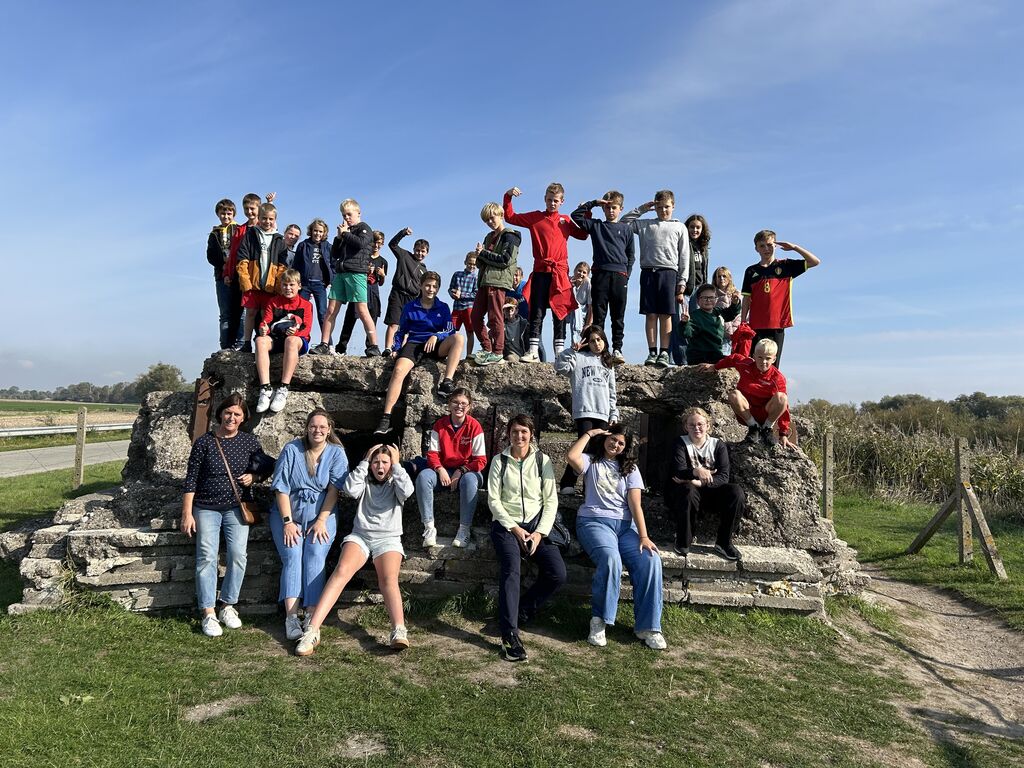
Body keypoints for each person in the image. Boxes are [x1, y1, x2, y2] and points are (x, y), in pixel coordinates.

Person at [295, 444, 414, 656]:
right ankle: (312, 630)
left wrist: (396, 464)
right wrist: (364, 462)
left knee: (388, 579)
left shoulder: (397, 481)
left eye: (384, 462)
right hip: (361, 536)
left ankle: (398, 629)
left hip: (388, 539)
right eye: (376, 462)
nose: (380, 466)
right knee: (341, 571)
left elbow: (408, 490)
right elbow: (350, 490)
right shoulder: (364, 480)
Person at [180, 394, 273, 637]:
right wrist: (187, 513)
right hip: (206, 506)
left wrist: (255, 477)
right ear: (221, 413)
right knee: (207, 557)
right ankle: (208, 612)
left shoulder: (249, 442)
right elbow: (191, 479)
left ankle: (228, 605)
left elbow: (266, 465)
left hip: (236, 506)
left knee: (238, 555)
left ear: (243, 418)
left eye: (237, 414)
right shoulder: (205, 442)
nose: (232, 418)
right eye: (228, 412)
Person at [566, 424, 666, 650]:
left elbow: (636, 505)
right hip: (594, 522)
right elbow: (571, 456)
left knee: (651, 560)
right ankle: (599, 621)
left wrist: (644, 537)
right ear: (605, 439)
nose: (616, 445)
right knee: (611, 559)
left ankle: (648, 627)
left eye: (621, 443)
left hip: (625, 527)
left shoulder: (631, 469)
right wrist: (590, 433)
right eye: (613, 439)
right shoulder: (590, 461)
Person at [487, 414, 566, 662]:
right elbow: (493, 500)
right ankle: (509, 634)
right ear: (508, 434)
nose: (519, 436)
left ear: (531, 434)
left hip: (536, 525)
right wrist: (515, 529)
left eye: (524, 432)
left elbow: (551, 501)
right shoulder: (499, 461)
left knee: (557, 573)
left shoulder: (542, 460)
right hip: (506, 525)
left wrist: (539, 533)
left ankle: (521, 612)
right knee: (512, 568)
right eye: (514, 431)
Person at [269, 409, 349, 640]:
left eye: (322, 427)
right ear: (306, 427)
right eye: (313, 426)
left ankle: (312, 616)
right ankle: (291, 617)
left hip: (322, 515)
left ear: (329, 429)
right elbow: (281, 488)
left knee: (315, 554)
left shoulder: (336, 453)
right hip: (288, 515)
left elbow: (334, 490)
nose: (317, 430)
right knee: (293, 555)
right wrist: (287, 522)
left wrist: (321, 520)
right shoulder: (292, 449)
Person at [503, 183, 587, 362]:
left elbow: (583, 235)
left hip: (559, 273)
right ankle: (533, 351)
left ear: (562, 201)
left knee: (560, 312)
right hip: (541, 270)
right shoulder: (535, 218)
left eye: (555, 200)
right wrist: (508, 196)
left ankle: (560, 353)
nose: (552, 203)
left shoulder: (565, 220)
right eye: (549, 200)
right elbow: (510, 217)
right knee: (537, 310)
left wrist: (585, 213)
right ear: (544, 199)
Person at [374, 271, 465, 434]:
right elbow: (401, 332)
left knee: (459, 338)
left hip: (436, 344)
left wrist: (436, 336)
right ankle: (386, 418)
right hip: (414, 344)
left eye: (434, 286)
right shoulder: (410, 307)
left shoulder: (443, 307)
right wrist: (396, 348)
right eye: (428, 285)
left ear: (438, 289)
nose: (431, 289)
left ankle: (446, 382)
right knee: (398, 370)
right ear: (421, 286)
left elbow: (450, 330)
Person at [621, 190, 690, 367]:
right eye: (659, 207)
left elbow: (684, 256)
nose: (663, 210)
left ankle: (664, 352)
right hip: (648, 272)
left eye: (666, 207)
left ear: (673, 206)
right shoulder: (646, 224)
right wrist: (642, 209)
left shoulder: (679, 227)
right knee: (650, 314)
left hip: (669, 273)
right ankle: (652, 352)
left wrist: (682, 281)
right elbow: (624, 223)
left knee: (666, 314)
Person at [668, 407, 744, 561]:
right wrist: (697, 471)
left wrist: (697, 481)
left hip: (711, 491)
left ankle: (724, 543)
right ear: (686, 427)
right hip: (688, 493)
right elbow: (678, 472)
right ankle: (683, 541)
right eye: (692, 425)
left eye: (700, 424)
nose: (696, 428)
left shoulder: (718, 445)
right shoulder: (680, 443)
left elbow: (723, 477)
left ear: (707, 425)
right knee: (687, 490)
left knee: (736, 492)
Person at [415, 387, 487, 548]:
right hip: (444, 470)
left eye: (463, 403)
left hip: (468, 472)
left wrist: (461, 470)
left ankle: (464, 530)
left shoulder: (474, 426)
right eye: (455, 402)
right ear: (449, 404)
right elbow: (432, 454)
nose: (459, 406)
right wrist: (439, 469)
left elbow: (480, 460)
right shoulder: (440, 425)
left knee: (470, 480)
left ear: (469, 406)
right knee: (424, 477)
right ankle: (429, 527)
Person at [740, 230, 820, 368]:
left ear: (775, 246)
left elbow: (815, 262)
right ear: (756, 248)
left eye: (770, 245)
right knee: (754, 363)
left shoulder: (785, 266)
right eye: (762, 246)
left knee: (772, 364)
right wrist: (742, 321)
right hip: (755, 324)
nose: (766, 249)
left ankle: (772, 383)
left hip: (777, 323)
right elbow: (746, 298)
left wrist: (794, 247)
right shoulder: (751, 271)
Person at [311, 199, 381, 357]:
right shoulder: (345, 232)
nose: (346, 218)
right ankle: (324, 344)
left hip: (357, 273)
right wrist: (338, 238)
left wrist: (345, 234)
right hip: (341, 273)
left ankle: (374, 345)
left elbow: (360, 243)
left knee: (362, 310)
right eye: (344, 215)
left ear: (358, 213)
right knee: (331, 310)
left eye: (349, 214)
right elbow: (335, 253)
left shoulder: (364, 228)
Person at [554, 325, 619, 495]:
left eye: (599, 339)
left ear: (604, 340)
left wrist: (613, 412)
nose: (597, 344)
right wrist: (571, 350)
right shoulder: (578, 357)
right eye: (592, 341)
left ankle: (589, 487)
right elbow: (560, 367)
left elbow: (612, 391)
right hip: (584, 411)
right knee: (583, 446)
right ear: (586, 343)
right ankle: (567, 482)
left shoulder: (608, 363)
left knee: (598, 450)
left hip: (603, 413)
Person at [571, 192, 635, 362]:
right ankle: (598, 350)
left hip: (620, 276)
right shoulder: (596, 226)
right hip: (600, 275)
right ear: (603, 208)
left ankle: (617, 349)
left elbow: (631, 255)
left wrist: (626, 275)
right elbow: (575, 216)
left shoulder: (626, 229)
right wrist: (593, 203)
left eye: (614, 207)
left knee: (618, 315)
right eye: (607, 207)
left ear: (620, 209)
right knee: (599, 316)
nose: (610, 210)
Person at [698, 338, 792, 448]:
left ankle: (767, 428)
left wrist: (783, 433)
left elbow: (784, 407)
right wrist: (715, 366)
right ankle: (753, 428)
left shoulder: (777, 378)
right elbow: (733, 359)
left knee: (782, 398)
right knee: (734, 394)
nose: (763, 362)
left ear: (774, 359)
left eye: (768, 358)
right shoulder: (745, 364)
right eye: (760, 357)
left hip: (766, 413)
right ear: (754, 356)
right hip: (747, 412)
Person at [254, 269, 315, 414]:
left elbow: (306, 328)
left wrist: (296, 332)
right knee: (260, 341)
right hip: (277, 339)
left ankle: (283, 388)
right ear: (280, 286)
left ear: (299, 286)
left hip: (297, 340)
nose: (288, 288)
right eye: (285, 285)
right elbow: (266, 322)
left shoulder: (306, 305)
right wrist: (263, 329)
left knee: (291, 340)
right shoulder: (273, 302)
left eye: (291, 285)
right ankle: (265, 389)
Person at [471, 202, 521, 366]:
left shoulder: (511, 236)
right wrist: (480, 255)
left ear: (501, 215)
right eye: (486, 220)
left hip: (498, 282)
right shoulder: (488, 237)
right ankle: (487, 348)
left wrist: (483, 254)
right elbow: (481, 263)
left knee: (495, 317)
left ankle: (498, 352)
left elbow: (505, 260)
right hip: (484, 281)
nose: (490, 222)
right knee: (475, 316)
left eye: (492, 218)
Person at [236, 203, 288, 352]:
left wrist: (277, 284)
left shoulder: (279, 239)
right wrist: (245, 280)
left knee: (266, 314)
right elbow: (242, 258)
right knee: (250, 313)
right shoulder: (251, 234)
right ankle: (246, 343)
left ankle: (263, 342)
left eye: (271, 219)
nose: (267, 221)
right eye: (264, 218)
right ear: (259, 218)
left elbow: (282, 264)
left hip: (270, 285)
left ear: (275, 219)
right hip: (252, 283)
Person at [225, 192, 274, 350]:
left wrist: (269, 203)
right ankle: (233, 345)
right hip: (239, 275)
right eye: (246, 209)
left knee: (258, 313)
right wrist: (228, 273)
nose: (249, 211)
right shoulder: (241, 229)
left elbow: (272, 221)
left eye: (252, 208)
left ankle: (260, 342)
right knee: (235, 312)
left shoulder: (264, 227)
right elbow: (234, 253)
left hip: (258, 277)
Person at [337, 230, 388, 355]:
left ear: (382, 244)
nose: (376, 245)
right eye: (374, 242)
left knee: (372, 319)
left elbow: (381, 282)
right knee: (350, 319)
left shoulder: (383, 261)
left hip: (373, 292)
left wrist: (382, 275)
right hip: (359, 289)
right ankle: (341, 347)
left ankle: (371, 347)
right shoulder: (364, 256)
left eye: (379, 243)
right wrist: (366, 271)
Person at [672, 213, 712, 366]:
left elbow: (704, 270)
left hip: (700, 290)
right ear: (686, 228)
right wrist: (679, 289)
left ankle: (695, 357)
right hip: (685, 289)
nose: (695, 230)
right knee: (681, 323)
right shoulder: (682, 243)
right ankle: (681, 360)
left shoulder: (703, 247)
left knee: (697, 325)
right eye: (692, 227)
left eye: (698, 227)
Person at [382, 227, 428, 357]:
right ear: (413, 249)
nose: (419, 253)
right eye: (417, 250)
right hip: (398, 293)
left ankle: (400, 350)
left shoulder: (425, 271)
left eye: (423, 251)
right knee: (393, 323)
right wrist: (403, 233)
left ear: (427, 253)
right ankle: (388, 348)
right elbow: (392, 244)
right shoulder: (404, 255)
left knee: (407, 327)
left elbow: (422, 290)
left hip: (412, 299)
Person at [678, 283, 740, 366]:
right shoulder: (695, 316)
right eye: (705, 298)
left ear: (716, 299)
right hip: (699, 357)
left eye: (711, 297)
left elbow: (730, 313)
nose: (708, 300)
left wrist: (735, 303)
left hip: (716, 355)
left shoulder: (718, 312)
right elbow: (686, 333)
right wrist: (684, 323)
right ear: (698, 300)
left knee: (736, 361)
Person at [206, 198, 239, 349]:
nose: (226, 216)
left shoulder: (239, 229)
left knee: (240, 311)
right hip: (221, 276)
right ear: (218, 214)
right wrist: (223, 264)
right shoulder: (214, 234)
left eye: (229, 213)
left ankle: (239, 344)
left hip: (238, 276)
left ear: (233, 214)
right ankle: (225, 345)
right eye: (223, 213)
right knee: (225, 312)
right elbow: (210, 255)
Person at [294, 219, 334, 339]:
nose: (318, 233)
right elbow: (296, 266)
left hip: (320, 285)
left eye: (320, 231)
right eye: (315, 230)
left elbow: (333, 264)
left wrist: (331, 279)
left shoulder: (328, 247)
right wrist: (297, 282)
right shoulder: (303, 245)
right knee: (301, 312)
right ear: (311, 231)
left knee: (323, 313)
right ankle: (300, 339)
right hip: (304, 284)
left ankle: (327, 343)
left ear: (324, 233)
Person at [449, 251, 479, 356]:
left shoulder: (476, 277)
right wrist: (453, 294)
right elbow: (450, 289)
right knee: (450, 330)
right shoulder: (457, 275)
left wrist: (461, 295)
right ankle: (449, 354)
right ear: (465, 262)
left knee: (470, 331)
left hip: (469, 308)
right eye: (470, 263)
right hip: (457, 308)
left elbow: (476, 294)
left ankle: (468, 355)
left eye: (474, 264)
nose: (472, 266)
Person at [712, 266, 742, 355]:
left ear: (729, 278)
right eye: (719, 276)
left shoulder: (737, 294)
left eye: (724, 276)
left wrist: (735, 329)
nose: (721, 278)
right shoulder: (711, 295)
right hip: (717, 336)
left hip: (734, 335)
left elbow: (740, 314)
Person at [566, 261, 594, 353]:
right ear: (574, 271)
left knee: (576, 308)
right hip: (569, 310)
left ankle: (575, 344)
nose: (581, 274)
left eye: (584, 272)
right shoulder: (569, 281)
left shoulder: (588, 283)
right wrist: (570, 285)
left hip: (582, 312)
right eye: (579, 271)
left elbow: (591, 306)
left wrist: (588, 324)